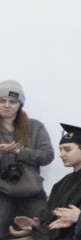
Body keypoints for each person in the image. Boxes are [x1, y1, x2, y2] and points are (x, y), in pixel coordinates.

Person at [0, 81, 53, 230]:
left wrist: (20, 152)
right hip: (2, 193)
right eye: (2, 101)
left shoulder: (35, 126)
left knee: (43, 229)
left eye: (13, 101)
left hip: (31, 192)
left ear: (20, 104)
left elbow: (47, 156)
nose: (7, 105)